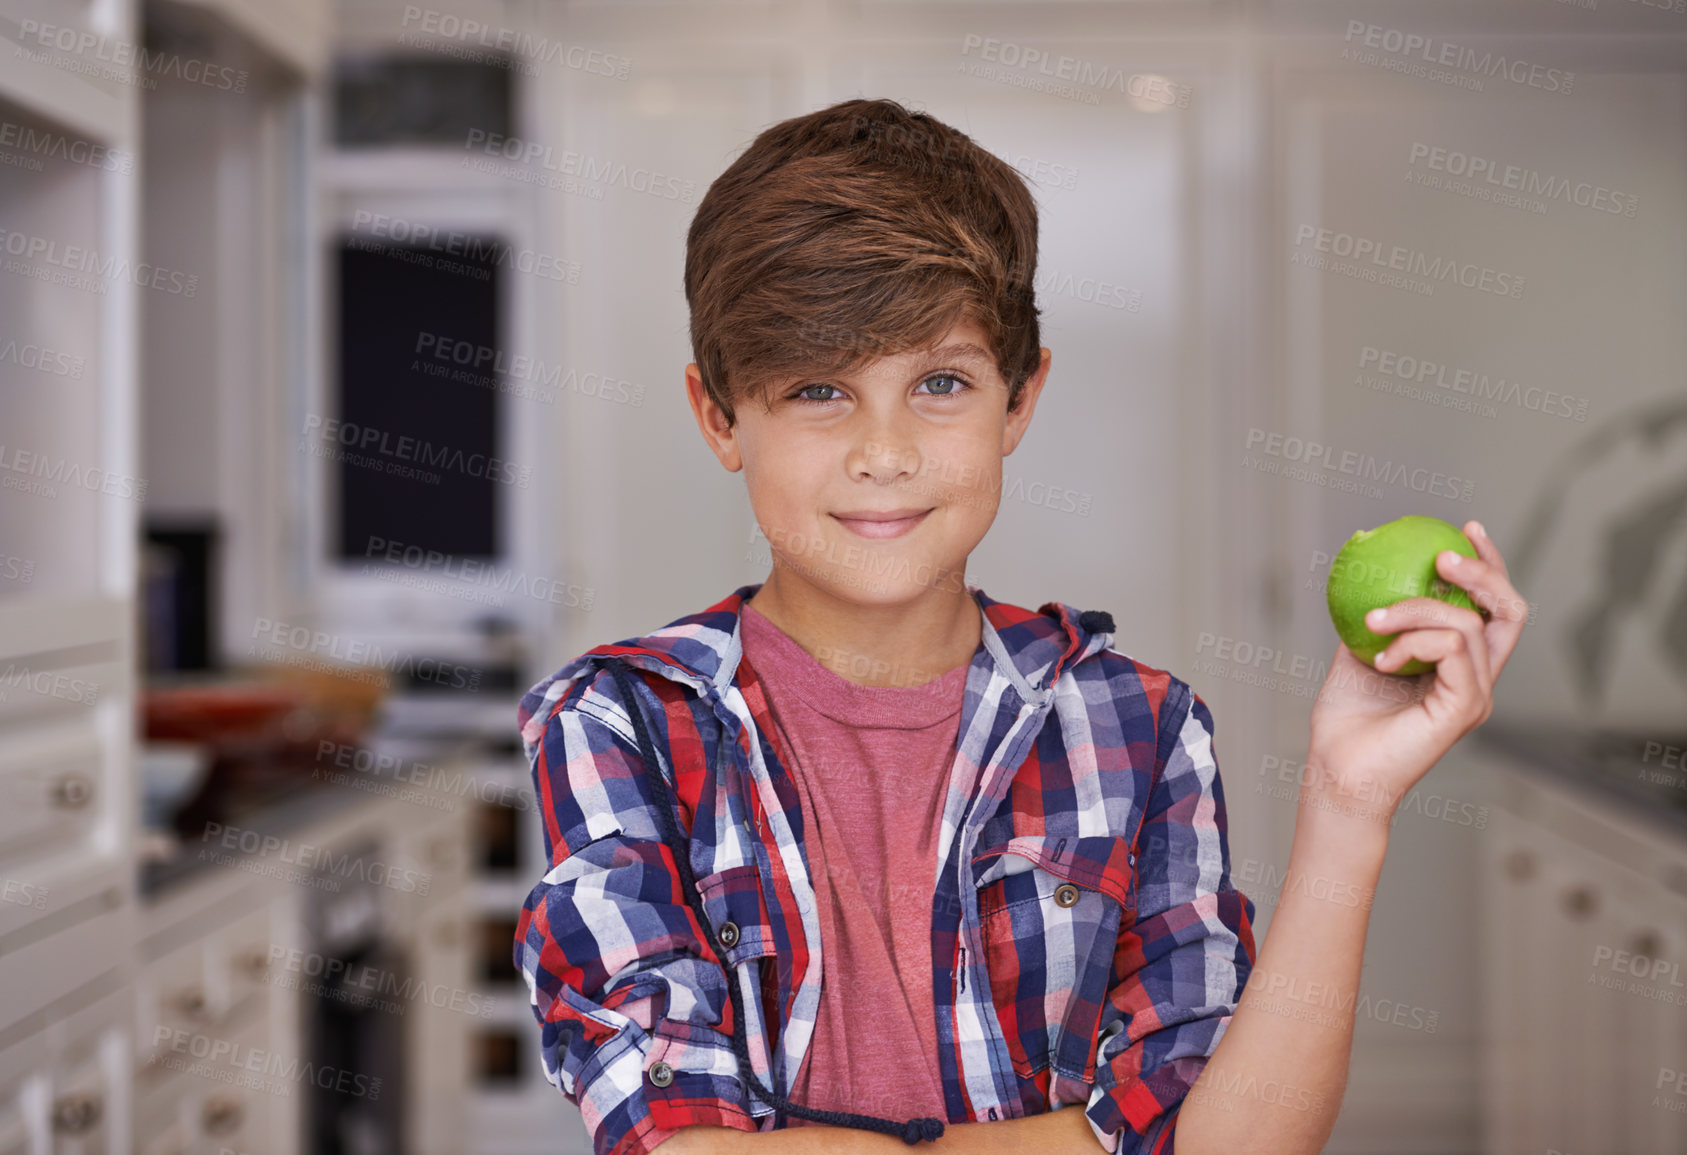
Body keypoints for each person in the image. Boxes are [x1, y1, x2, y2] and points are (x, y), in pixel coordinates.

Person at [512, 97, 1528, 1155]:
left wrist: (1349, 806)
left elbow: (1228, 1143)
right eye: (819, 390)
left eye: (940, 383)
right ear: (719, 414)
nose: (885, 451)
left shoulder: (1143, 726)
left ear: (1019, 399)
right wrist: (1089, 1143)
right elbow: (684, 1146)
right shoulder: (620, 723)